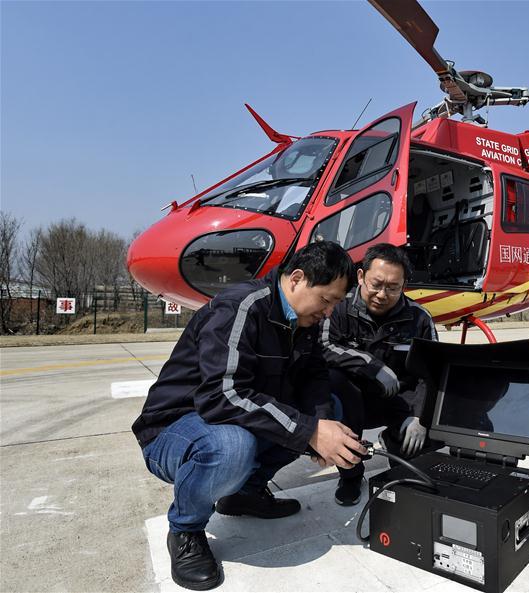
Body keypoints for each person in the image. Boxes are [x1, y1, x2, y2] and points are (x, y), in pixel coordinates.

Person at [132, 241, 368, 591]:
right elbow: (220, 396)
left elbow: (315, 376)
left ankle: (246, 493)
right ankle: (185, 530)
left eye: (336, 303)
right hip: (175, 428)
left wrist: (320, 423)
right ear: (297, 279)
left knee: (328, 411)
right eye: (327, 300)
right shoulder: (240, 308)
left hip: (227, 422)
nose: (330, 312)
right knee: (233, 447)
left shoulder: (307, 320)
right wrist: (309, 432)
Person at [321, 243, 439, 506]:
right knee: (336, 384)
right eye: (376, 284)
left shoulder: (419, 318)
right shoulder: (338, 307)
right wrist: (371, 366)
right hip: (354, 397)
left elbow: (431, 373)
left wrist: (420, 416)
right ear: (361, 276)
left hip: (399, 397)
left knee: (430, 433)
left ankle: (395, 443)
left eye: (393, 287)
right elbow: (324, 347)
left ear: (404, 285)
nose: (382, 294)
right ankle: (351, 475)